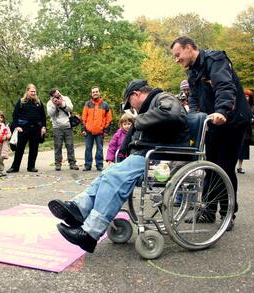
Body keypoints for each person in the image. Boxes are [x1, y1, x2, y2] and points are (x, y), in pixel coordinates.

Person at [48, 79, 189, 253]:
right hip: (151, 156)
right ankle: (79, 208)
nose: (132, 109)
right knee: (109, 173)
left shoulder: (163, 98)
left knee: (115, 176)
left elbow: (173, 114)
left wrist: (138, 121)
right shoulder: (153, 104)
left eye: (130, 103)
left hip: (166, 159)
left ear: (136, 94)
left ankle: (90, 233)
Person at [171, 36, 252, 230]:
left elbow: (225, 86)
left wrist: (222, 111)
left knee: (224, 167)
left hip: (232, 120)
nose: (176, 59)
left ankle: (227, 214)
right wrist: (194, 116)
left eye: (178, 54)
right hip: (213, 122)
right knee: (209, 166)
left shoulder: (215, 60)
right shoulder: (192, 72)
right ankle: (207, 211)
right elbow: (193, 99)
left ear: (189, 48)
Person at [7, 84, 47, 173]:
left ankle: (31, 166)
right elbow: (15, 115)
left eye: (34, 91)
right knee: (19, 149)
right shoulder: (21, 102)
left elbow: (43, 116)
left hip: (36, 129)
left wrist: (43, 127)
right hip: (23, 128)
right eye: (31, 91)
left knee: (34, 148)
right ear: (27, 91)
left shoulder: (38, 102)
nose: (33, 93)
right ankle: (15, 167)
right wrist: (17, 126)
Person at [46, 88, 79, 171]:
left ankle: (72, 163)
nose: (58, 95)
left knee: (70, 145)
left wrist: (62, 104)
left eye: (58, 93)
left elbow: (70, 108)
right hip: (57, 127)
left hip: (68, 126)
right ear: (52, 96)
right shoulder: (50, 103)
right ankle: (58, 163)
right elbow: (50, 114)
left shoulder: (66, 98)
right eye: (55, 95)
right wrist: (55, 105)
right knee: (58, 146)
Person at [81, 86, 112, 171]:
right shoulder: (87, 104)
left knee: (100, 149)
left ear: (99, 92)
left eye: (96, 91)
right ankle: (87, 165)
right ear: (91, 94)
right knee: (88, 148)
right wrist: (83, 129)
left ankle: (99, 165)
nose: (95, 93)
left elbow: (109, 119)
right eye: (93, 92)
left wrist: (106, 131)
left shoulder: (105, 105)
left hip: (100, 131)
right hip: (88, 131)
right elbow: (84, 117)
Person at [236, 89, 254, 174]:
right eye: (244, 96)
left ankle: (240, 167)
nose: (246, 98)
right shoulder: (238, 105)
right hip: (237, 129)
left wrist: (253, 120)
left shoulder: (253, 107)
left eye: (248, 96)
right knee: (235, 148)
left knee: (243, 149)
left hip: (246, 131)